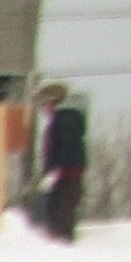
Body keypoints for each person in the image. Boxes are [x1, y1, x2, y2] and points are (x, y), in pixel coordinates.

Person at [34, 81, 91, 240]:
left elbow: (67, 145)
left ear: (53, 101)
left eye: (45, 103)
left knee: (62, 211)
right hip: (64, 173)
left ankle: (62, 242)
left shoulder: (65, 118)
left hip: (66, 174)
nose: (43, 108)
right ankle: (59, 238)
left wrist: (57, 169)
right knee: (59, 209)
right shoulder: (62, 119)